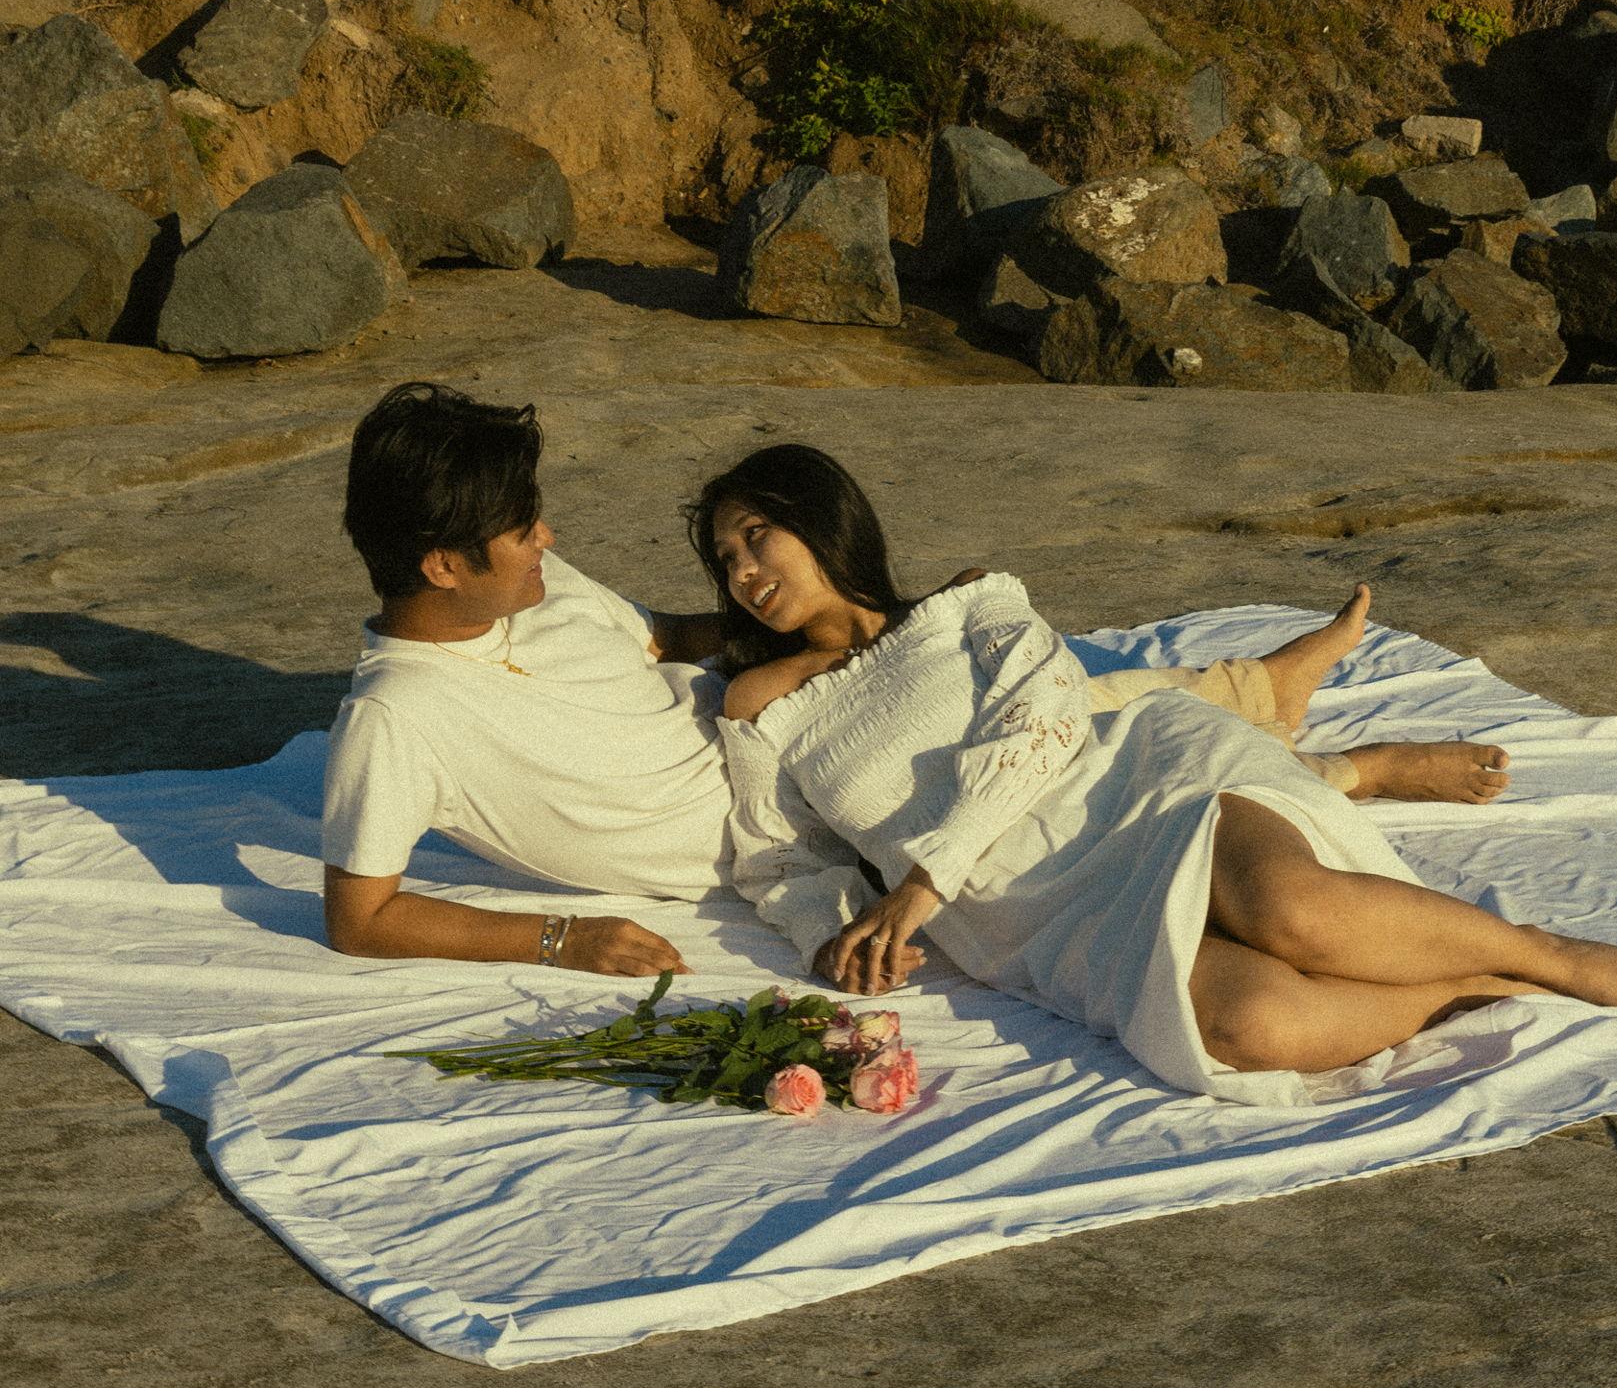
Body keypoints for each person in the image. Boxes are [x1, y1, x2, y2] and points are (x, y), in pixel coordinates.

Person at [321, 383, 1508, 982]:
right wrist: (564, 939)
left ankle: (1282, 715)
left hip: (772, 714)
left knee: (1025, 705)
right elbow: (359, 914)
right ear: (441, 564)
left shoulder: (534, 581)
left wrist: (796, 635)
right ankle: (1313, 738)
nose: (547, 536)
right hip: (777, 818)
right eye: (520, 531)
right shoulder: (399, 715)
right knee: (1047, 744)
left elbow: (653, 635)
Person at [699, 444, 1617, 1103]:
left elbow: (1045, 718)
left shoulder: (968, 602)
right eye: (724, 557)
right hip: (1036, 916)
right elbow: (778, 861)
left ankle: (1543, 953)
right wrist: (834, 937)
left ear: (822, 519)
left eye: (757, 535)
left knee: (1295, 913)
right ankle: (1463, 977)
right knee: (1253, 1022)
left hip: (1140, 789)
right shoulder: (760, 705)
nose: (743, 567)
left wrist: (922, 879)